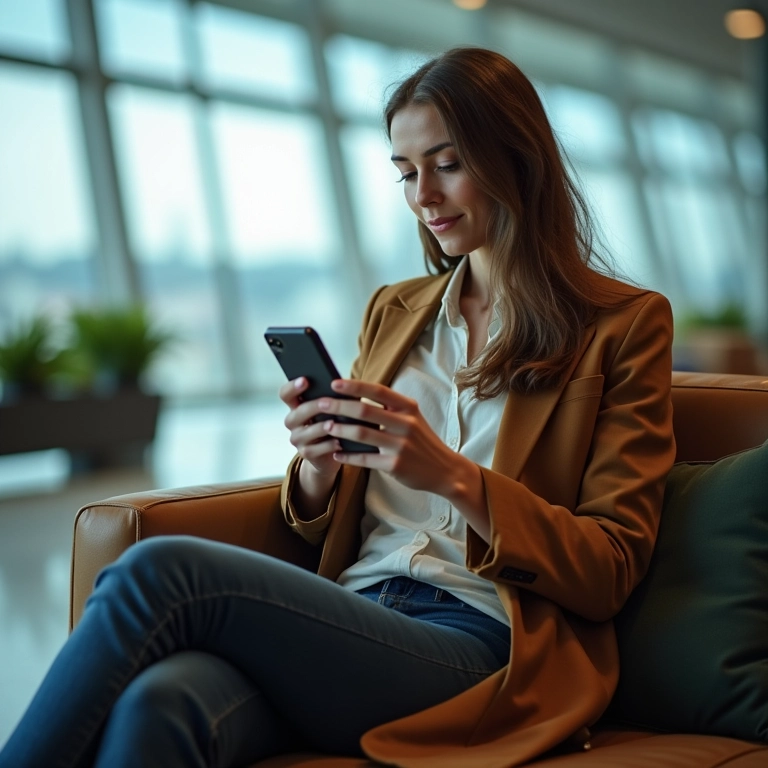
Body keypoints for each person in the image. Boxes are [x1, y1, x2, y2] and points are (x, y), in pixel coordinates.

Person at [0, 47, 675, 768]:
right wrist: (319, 463)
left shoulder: (622, 325)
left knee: (157, 571)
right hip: (358, 615)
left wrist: (450, 476)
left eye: (447, 164)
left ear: (518, 158)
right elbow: (320, 513)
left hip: (483, 642)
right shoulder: (396, 311)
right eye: (407, 172)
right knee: (162, 703)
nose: (424, 195)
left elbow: (608, 569)